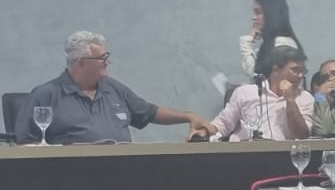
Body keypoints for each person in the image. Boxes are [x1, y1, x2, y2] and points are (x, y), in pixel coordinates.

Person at [18, 31, 217, 144]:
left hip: (122, 175)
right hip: (69, 182)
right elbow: (25, 145)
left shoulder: (113, 88)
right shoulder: (45, 95)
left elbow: (149, 112)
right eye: (102, 58)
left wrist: (188, 116)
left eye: (107, 56)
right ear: (81, 63)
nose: (108, 62)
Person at [212, 45, 313, 141]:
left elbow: (301, 136)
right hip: (245, 150)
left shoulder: (305, 98)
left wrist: (290, 101)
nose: (300, 76)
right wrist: (206, 130)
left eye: (302, 71)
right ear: (276, 69)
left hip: (283, 152)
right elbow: (223, 125)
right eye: (295, 70)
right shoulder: (245, 93)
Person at [240, 0, 304, 80]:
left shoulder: (282, 45)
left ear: (271, 14)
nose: (253, 17)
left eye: (258, 12)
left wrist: (246, 44)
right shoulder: (270, 43)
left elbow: (257, 75)